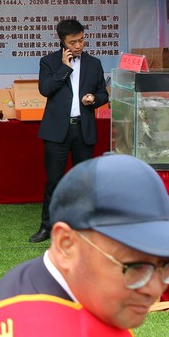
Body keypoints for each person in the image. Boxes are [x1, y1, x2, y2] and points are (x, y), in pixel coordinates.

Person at [0, 154, 169, 330]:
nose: (155, 290)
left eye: (167, 266)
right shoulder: (31, 329)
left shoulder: (67, 294)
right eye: (135, 267)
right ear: (66, 245)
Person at [29, 19, 109, 244]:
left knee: (83, 182)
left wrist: (94, 99)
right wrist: (65, 68)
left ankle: (83, 227)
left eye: (81, 40)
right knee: (54, 181)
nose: (78, 45)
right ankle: (47, 226)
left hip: (83, 129)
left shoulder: (94, 63)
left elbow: (103, 94)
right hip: (57, 131)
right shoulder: (49, 62)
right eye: (73, 42)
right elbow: (45, 89)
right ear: (62, 41)